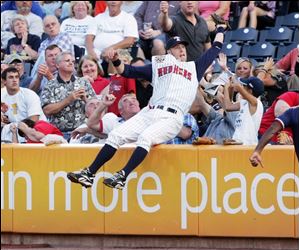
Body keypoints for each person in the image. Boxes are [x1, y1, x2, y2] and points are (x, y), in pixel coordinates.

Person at [67, 24, 227, 190]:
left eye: (183, 47)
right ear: (168, 52)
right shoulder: (158, 66)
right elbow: (127, 71)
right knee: (116, 134)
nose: (182, 50)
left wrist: (221, 30)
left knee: (145, 138)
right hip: (151, 111)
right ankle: (89, 173)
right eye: (176, 47)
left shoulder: (194, 67)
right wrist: (115, 59)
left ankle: (122, 176)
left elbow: (215, 48)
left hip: (172, 117)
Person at [40, 52, 96, 140]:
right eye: (67, 60)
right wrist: (68, 100)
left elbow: (96, 109)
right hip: (59, 134)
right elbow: (47, 110)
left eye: (73, 61)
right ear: (57, 65)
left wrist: (85, 99)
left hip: (82, 132)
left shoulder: (83, 82)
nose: (71, 63)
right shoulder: (50, 85)